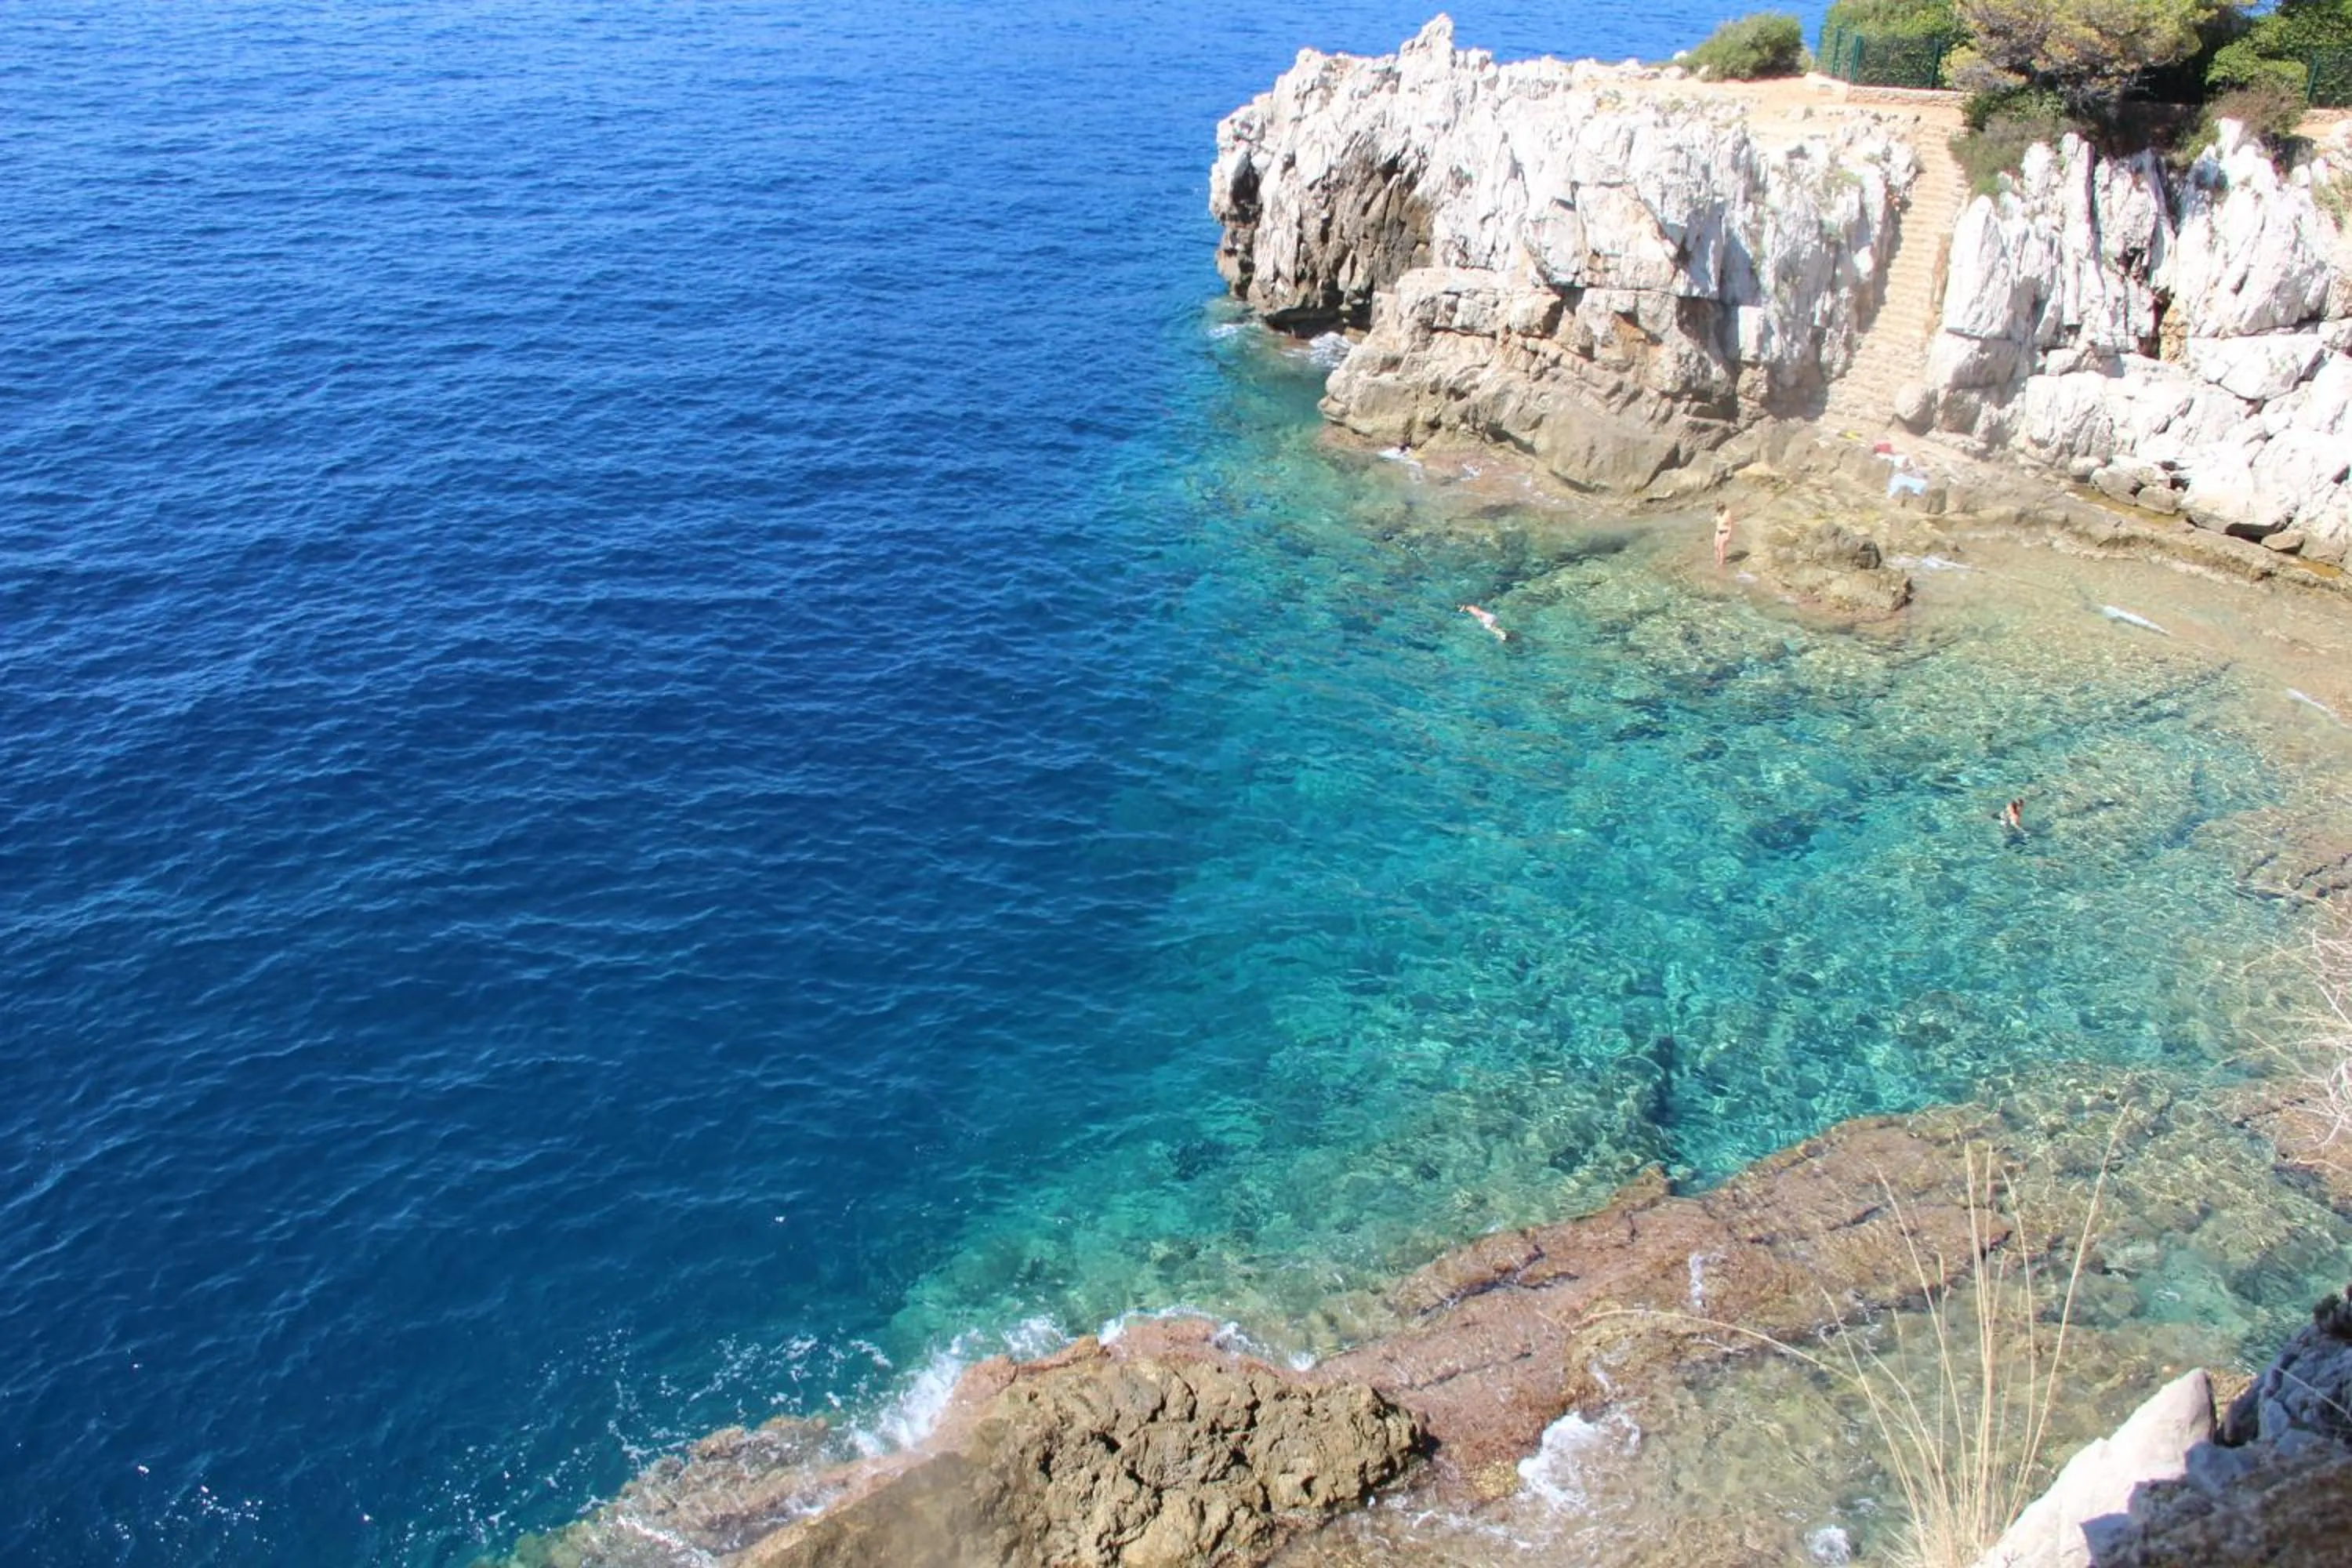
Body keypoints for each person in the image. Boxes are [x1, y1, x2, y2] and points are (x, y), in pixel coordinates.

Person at [1713, 504, 1735, 570]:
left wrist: (1729, 535)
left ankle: (1721, 564)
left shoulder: (1727, 514)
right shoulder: (1718, 514)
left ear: (1723, 509)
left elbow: (1731, 525)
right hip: (1718, 532)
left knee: (1721, 548)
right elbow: (1716, 519)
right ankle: (1717, 561)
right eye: (1718, 510)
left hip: (1725, 532)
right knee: (1716, 547)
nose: (1719, 512)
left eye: (1719, 510)